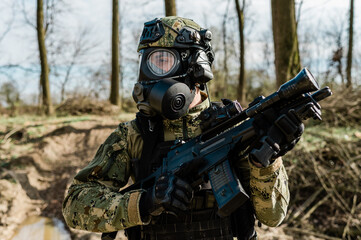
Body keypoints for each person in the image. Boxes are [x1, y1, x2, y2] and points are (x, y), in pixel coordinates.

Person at [63, 16, 302, 240]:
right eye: (147, 61)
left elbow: (273, 216)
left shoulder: (236, 127)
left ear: (197, 66)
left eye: (162, 61)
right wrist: (144, 203)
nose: (150, 75)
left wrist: (267, 160)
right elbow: (74, 204)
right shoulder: (134, 135)